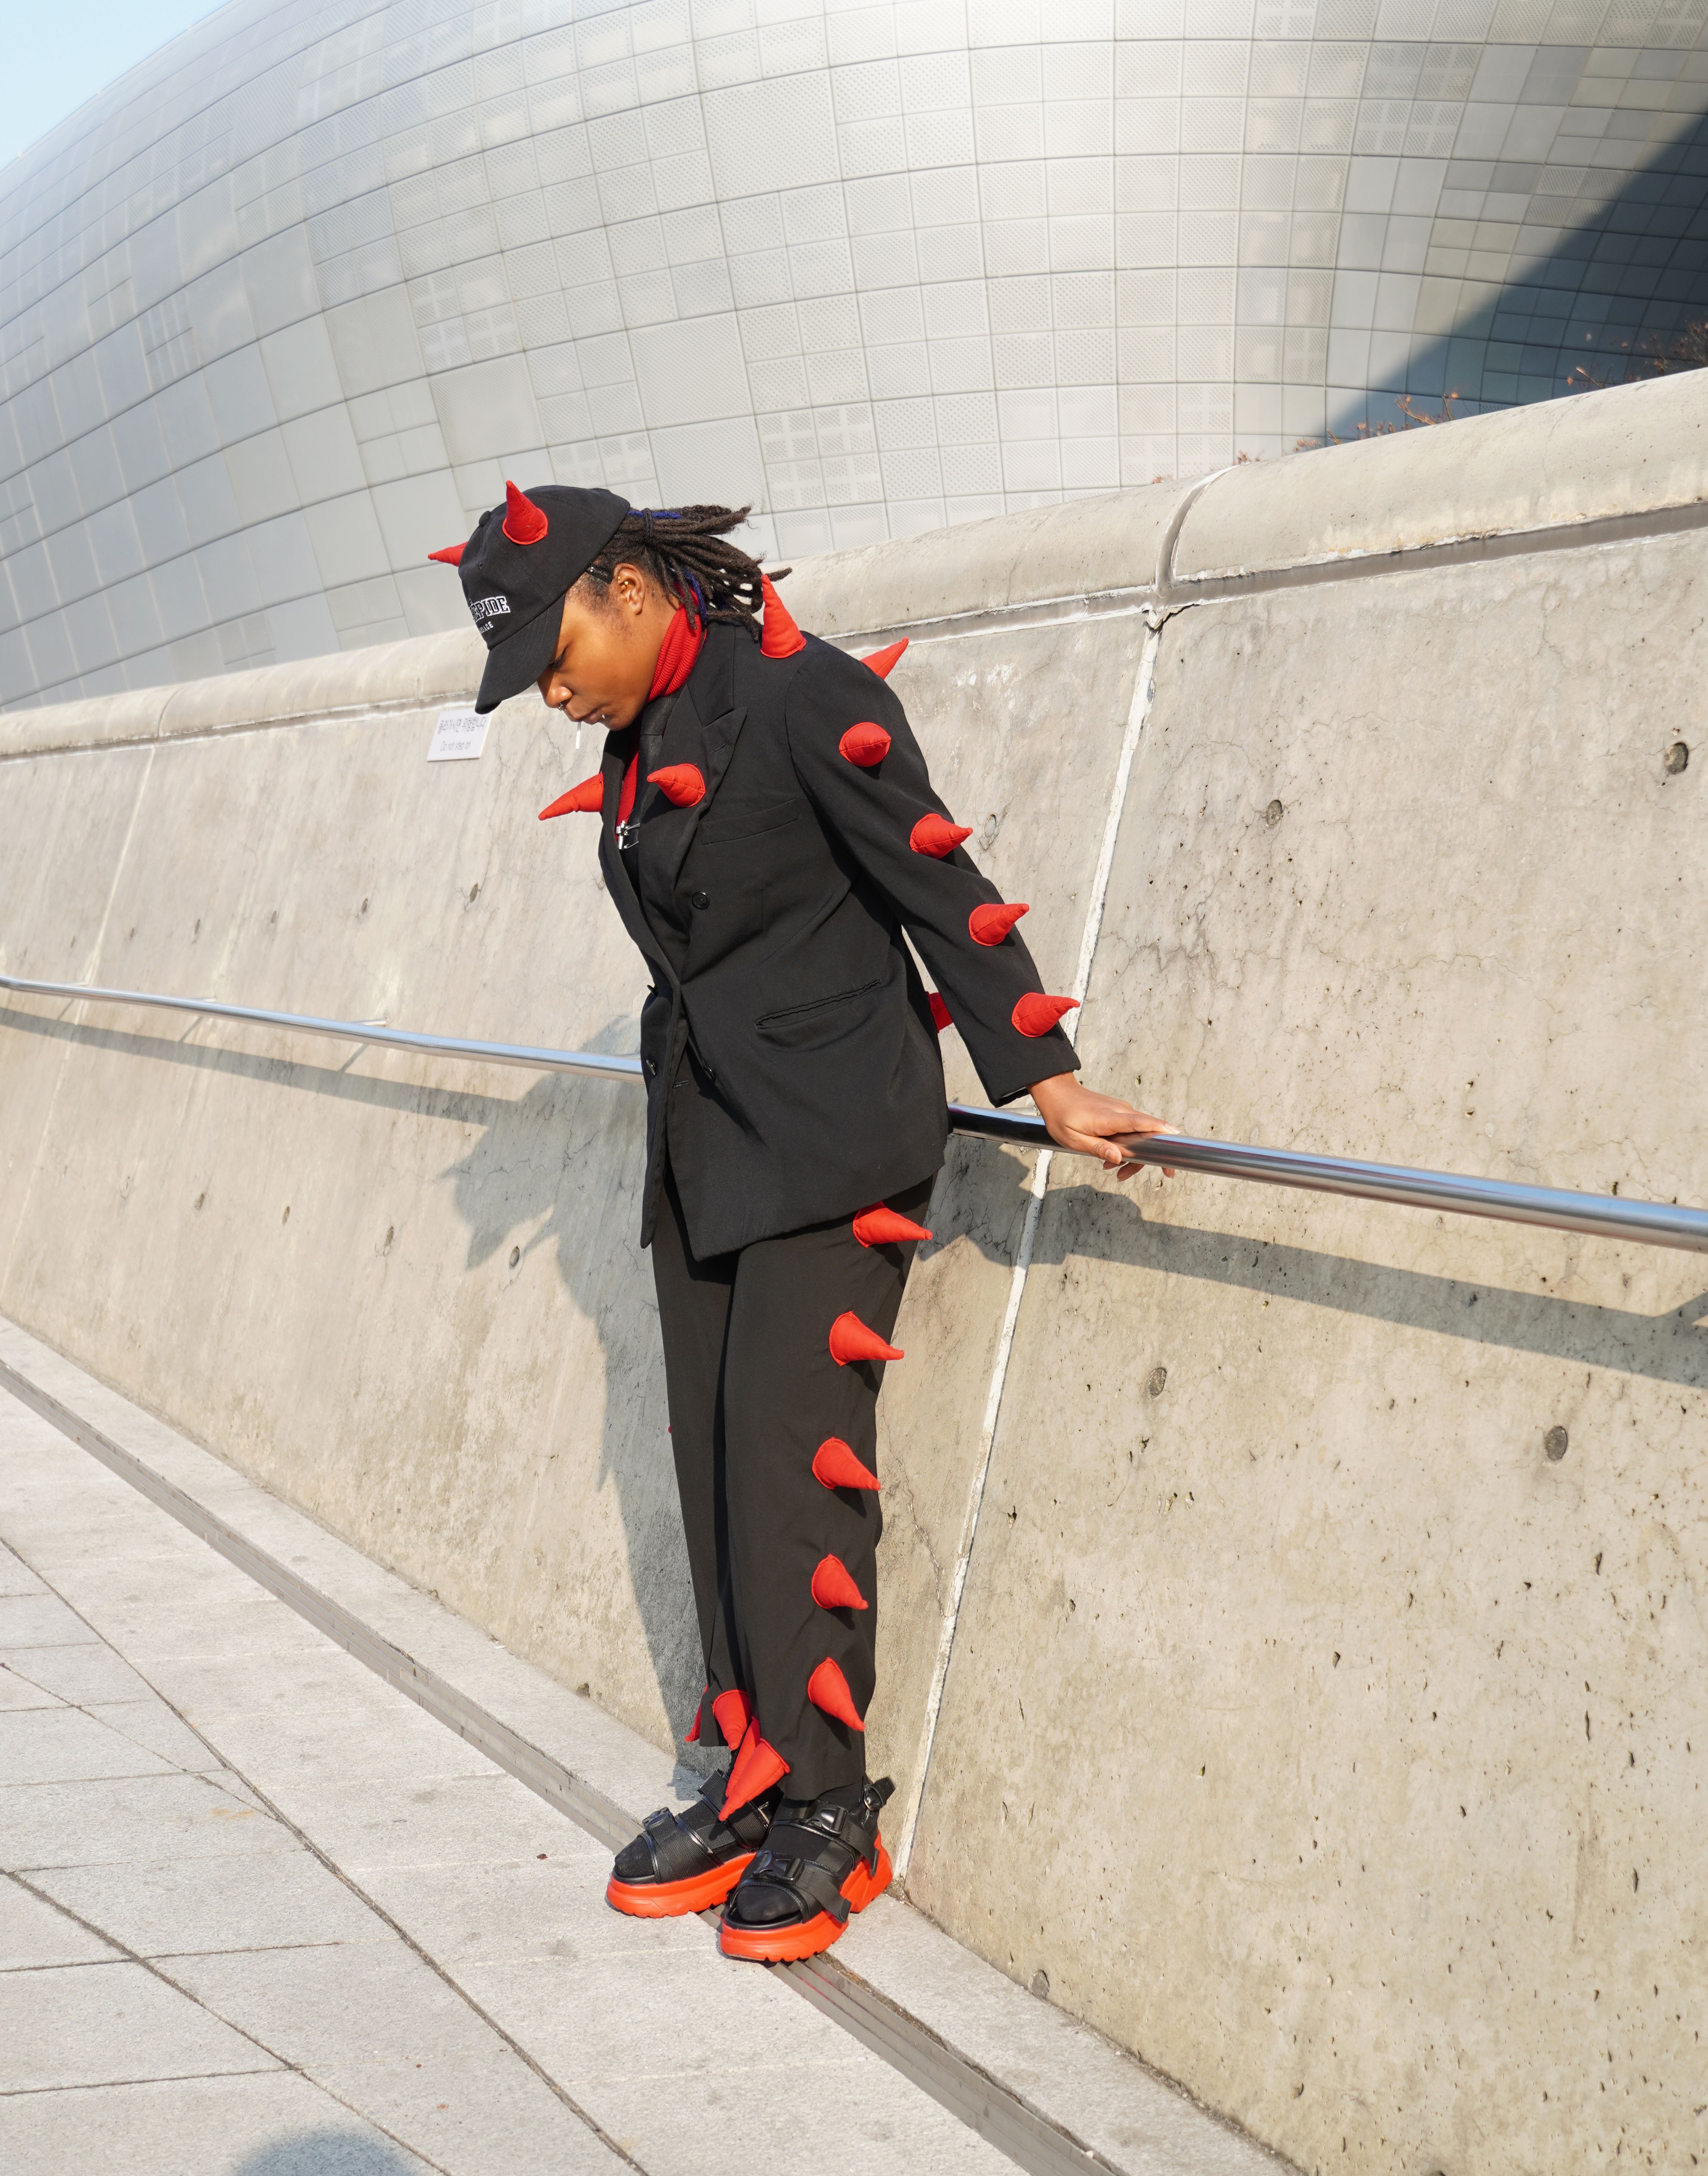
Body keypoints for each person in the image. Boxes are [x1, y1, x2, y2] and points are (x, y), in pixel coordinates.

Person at [441, 480, 1174, 1963]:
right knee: (712, 1472)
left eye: (556, 659)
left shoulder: (804, 696)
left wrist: (1046, 1078)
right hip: (707, 1142)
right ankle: (748, 1769)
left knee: (795, 1470)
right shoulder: (645, 738)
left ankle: (830, 1812)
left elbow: (935, 883)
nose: (553, 696)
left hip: (835, 1146)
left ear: (633, 592)